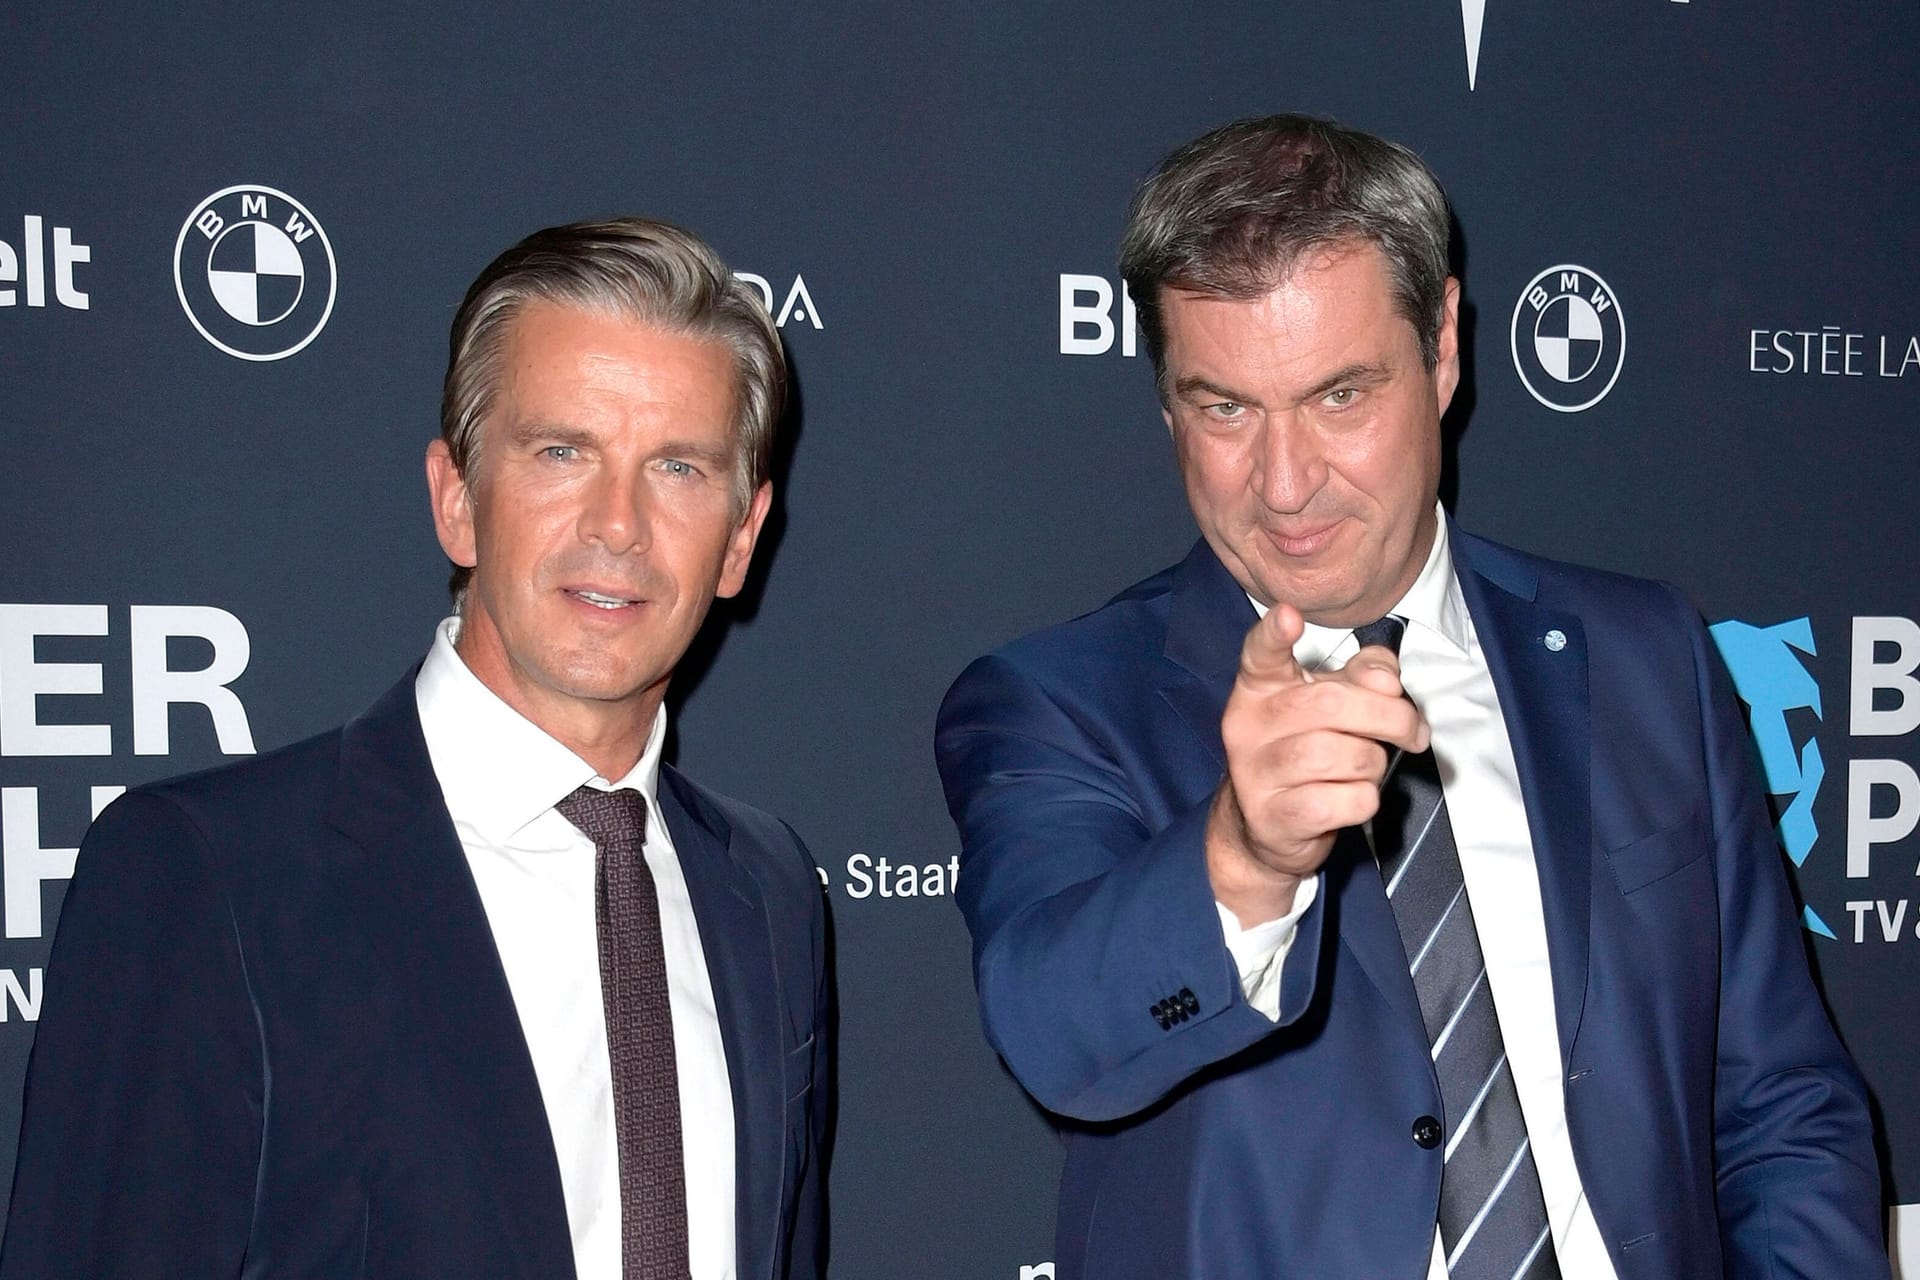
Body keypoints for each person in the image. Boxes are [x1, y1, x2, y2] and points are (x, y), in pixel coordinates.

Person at [935, 116, 1884, 1279]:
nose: (1284, 485)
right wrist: (1241, 856)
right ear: (1168, 402)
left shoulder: (1648, 657)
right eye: (1225, 407)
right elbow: (1054, 1032)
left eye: (1339, 396)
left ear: (1441, 347)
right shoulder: (1053, 703)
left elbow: (1782, 1099)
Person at [2, 219, 828, 1280]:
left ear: (741, 539)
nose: (619, 523)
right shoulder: (208, 875)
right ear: (456, 500)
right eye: (562, 451)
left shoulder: (768, 892)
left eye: (676, 466)